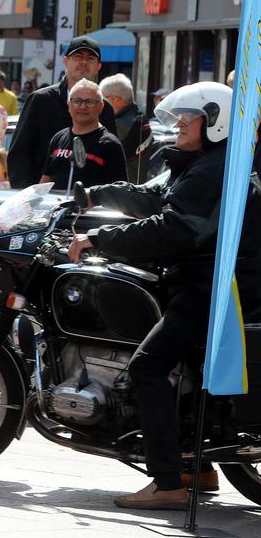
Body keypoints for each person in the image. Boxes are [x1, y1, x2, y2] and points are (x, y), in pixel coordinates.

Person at [68, 83, 261, 510]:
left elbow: (172, 228)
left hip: (213, 287)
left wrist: (99, 240)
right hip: (199, 279)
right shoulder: (199, 162)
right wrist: (96, 194)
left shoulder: (216, 169)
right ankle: (197, 464)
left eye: (185, 120)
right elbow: (154, 195)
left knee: (148, 367)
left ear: (214, 122)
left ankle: (168, 481)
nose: (177, 127)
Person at [7, 36, 117, 187]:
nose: (84, 62)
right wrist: (27, 198)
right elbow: (20, 153)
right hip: (42, 202)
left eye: (90, 58)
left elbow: (111, 161)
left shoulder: (105, 107)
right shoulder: (40, 100)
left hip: (89, 204)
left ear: (98, 66)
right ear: (66, 61)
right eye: (78, 56)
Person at [38, 78, 126, 191]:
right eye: (77, 101)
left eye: (89, 102)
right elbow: (45, 180)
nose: (82, 106)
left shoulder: (111, 145)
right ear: (69, 105)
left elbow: (118, 193)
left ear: (101, 107)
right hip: (56, 206)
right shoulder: (58, 138)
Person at [101, 73, 152, 181]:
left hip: (122, 192)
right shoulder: (137, 117)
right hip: (132, 189)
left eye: (102, 99)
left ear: (117, 100)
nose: (100, 104)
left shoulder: (124, 124)